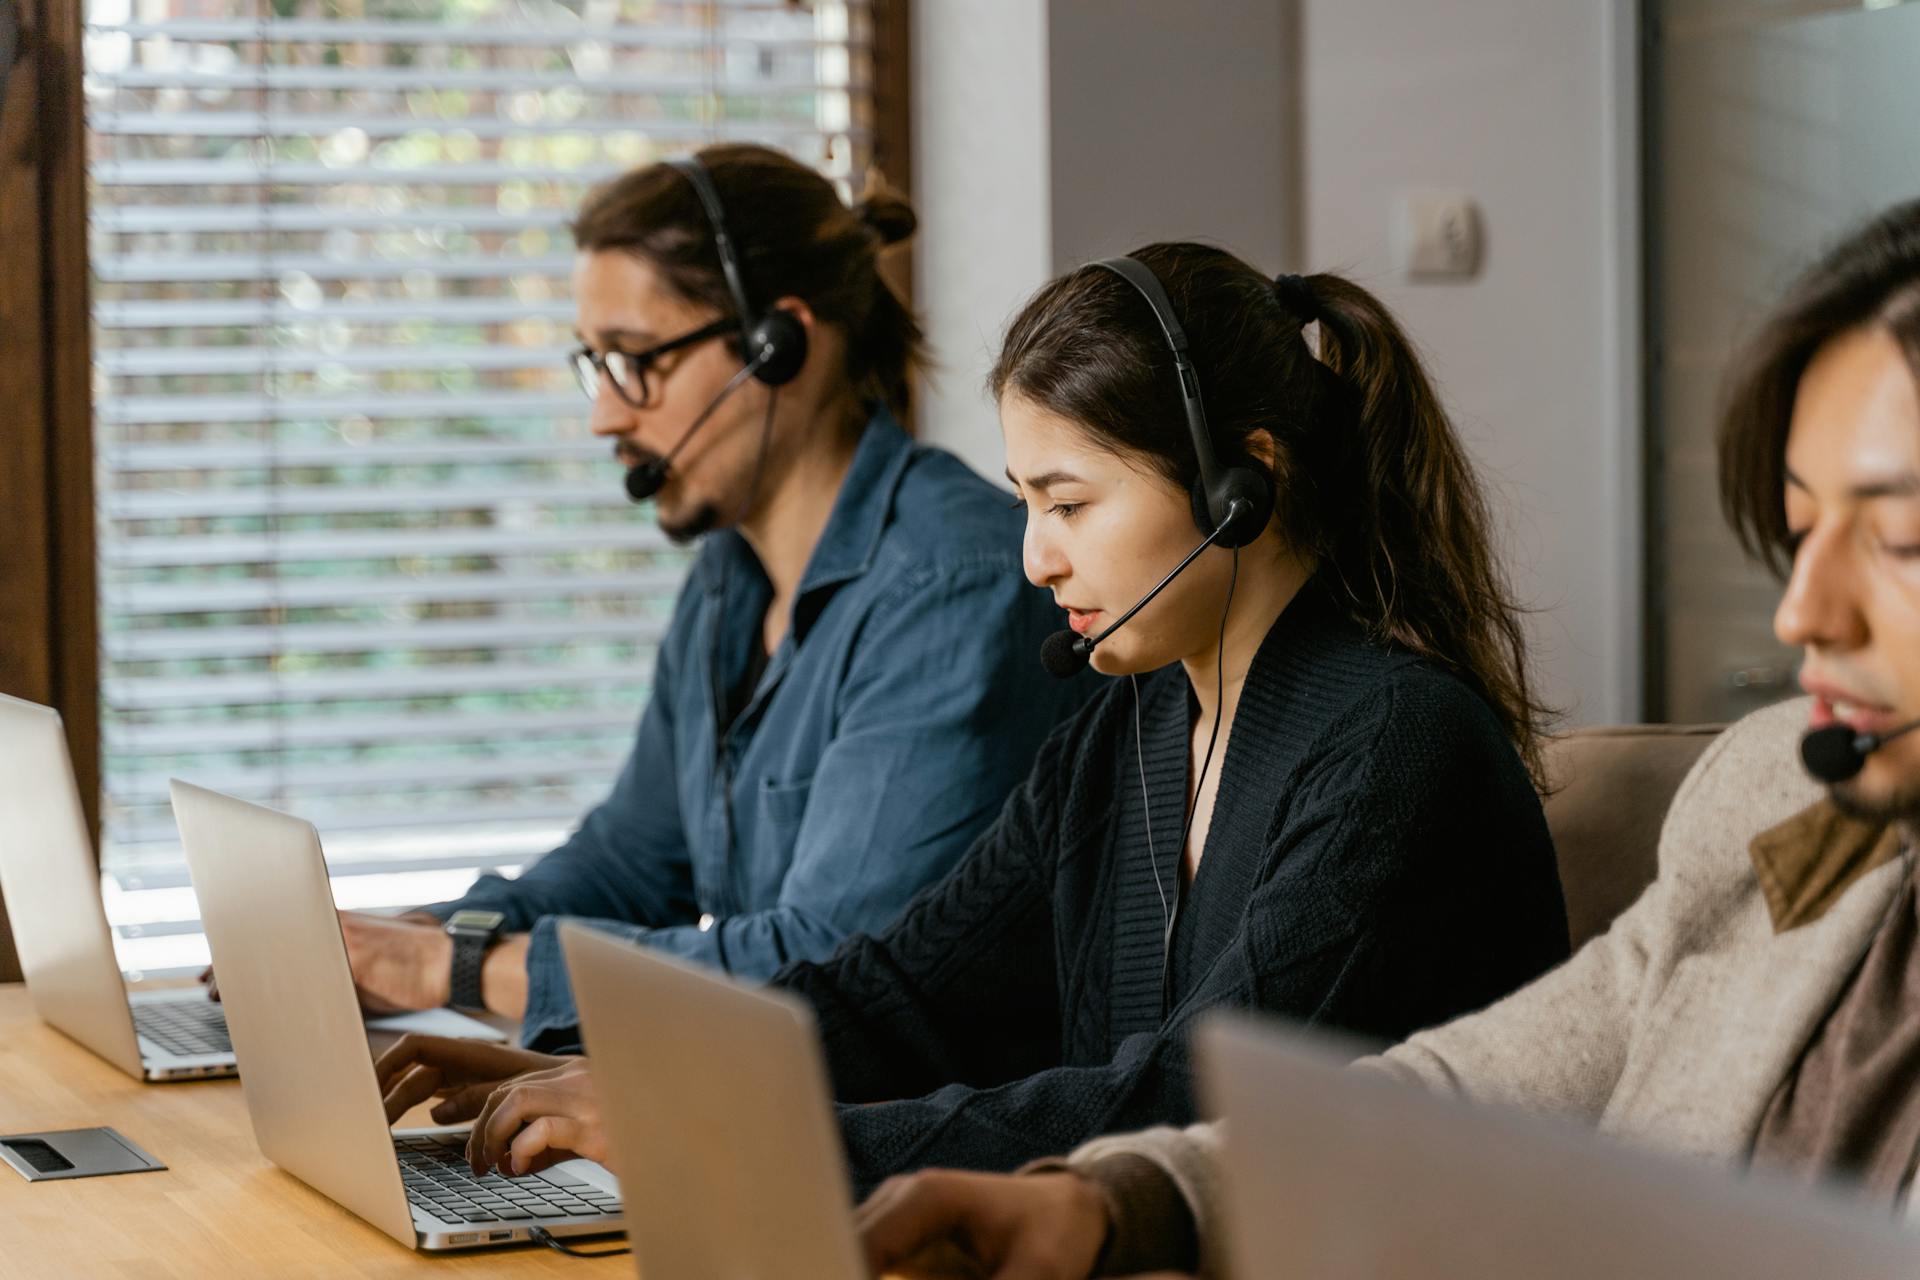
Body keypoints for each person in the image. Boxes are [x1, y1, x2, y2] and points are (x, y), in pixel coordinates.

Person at [854, 199, 1920, 1279]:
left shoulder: (1394, 744)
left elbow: (1201, 1077)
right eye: (1797, 529)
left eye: (1897, 537)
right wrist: (1118, 1195)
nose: (1802, 613)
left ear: (1240, 490)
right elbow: (1460, 1090)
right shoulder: (1778, 800)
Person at [372, 242, 1570, 1197]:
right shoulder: (1135, 726)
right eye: (1023, 501)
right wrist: (622, 1070)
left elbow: (1182, 1101)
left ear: (1241, 487)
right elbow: (900, 994)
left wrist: (712, 1118)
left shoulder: (1397, 746)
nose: (1035, 558)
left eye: (1069, 502)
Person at [234, 144, 1097, 1047]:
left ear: (780, 347)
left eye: (636, 359)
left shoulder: (952, 589)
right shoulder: (730, 579)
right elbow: (629, 862)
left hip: (902, 1159)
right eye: (595, 363)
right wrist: (422, 936)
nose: (606, 414)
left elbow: (827, 970)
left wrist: (450, 973)